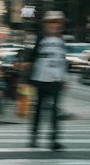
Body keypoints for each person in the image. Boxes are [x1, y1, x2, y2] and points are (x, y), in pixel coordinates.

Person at [26, 12, 70, 150]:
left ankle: (54, 139)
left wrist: (64, 79)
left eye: (58, 22)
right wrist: (28, 77)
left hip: (56, 81)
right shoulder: (41, 39)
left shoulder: (61, 41)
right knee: (38, 110)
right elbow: (32, 59)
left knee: (54, 112)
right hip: (40, 80)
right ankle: (34, 137)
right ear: (46, 24)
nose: (55, 25)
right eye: (52, 22)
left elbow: (62, 61)